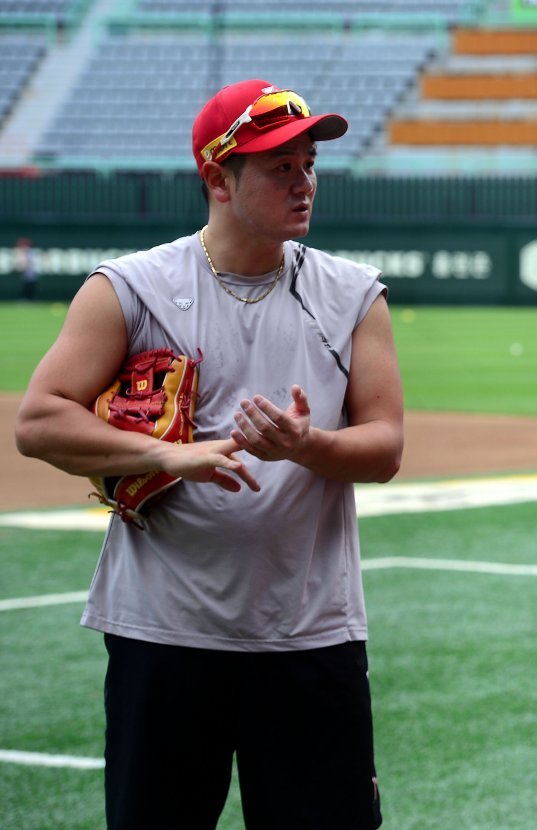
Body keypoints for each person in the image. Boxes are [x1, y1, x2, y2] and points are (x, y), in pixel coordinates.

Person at [15, 79, 405, 830]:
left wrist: (307, 445)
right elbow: (38, 421)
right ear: (217, 179)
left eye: (308, 164)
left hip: (310, 635)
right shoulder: (130, 288)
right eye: (279, 167)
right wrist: (164, 456)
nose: (303, 182)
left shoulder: (355, 295)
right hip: (162, 635)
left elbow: (384, 448)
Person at [15, 236, 39, 301]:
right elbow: (21, 265)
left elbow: (33, 263)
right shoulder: (21, 254)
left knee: (32, 287)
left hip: (32, 274)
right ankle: (25, 299)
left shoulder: (32, 253)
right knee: (26, 287)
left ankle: (32, 299)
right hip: (25, 275)